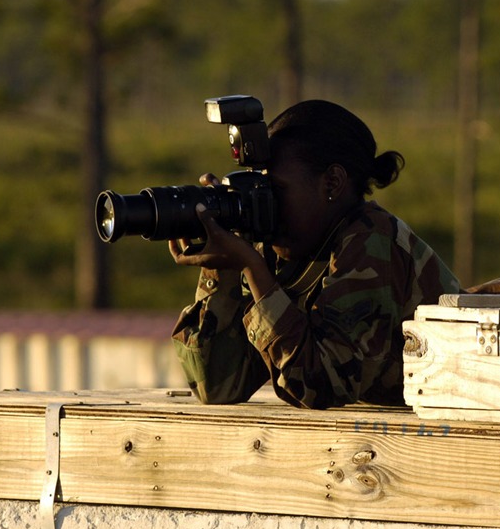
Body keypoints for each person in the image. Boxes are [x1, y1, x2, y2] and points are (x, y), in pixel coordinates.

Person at [169, 99, 460, 409]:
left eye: (276, 190)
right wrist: (221, 270)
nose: (265, 203)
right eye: (260, 189)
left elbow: (324, 385)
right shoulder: (280, 249)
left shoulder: (369, 239)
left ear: (332, 182)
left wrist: (253, 269)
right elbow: (216, 384)